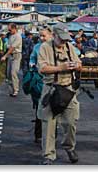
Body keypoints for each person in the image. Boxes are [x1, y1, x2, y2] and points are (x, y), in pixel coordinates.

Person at [37, 23, 82, 165]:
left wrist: (76, 65)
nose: (63, 42)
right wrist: (60, 68)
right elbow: (42, 68)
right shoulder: (45, 47)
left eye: (66, 39)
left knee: (71, 122)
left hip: (68, 89)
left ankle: (69, 147)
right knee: (49, 124)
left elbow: (80, 63)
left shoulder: (69, 47)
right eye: (61, 38)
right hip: (51, 89)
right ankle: (48, 155)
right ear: (54, 35)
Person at [27, 25, 52, 143]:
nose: (42, 38)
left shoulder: (55, 47)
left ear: (51, 35)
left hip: (52, 80)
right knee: (39, 107)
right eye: (40, 36)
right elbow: (32, 58)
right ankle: (38, 134)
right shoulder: (37, 47)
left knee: (52, 108)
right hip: (39, 80)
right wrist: (32, 64)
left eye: (44, 36)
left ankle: (52, 134)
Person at [1, 23, 22, 97]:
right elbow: (8, 46)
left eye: (10, 30)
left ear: (14, 29)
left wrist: (5, 56)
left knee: (14, 72)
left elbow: (12, 47)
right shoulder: (11, 36)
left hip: (16, 55)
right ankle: (11, 90)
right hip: (10, 55)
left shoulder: (18, 36)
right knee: (9, 74)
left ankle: (16, 90)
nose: (9, 31)